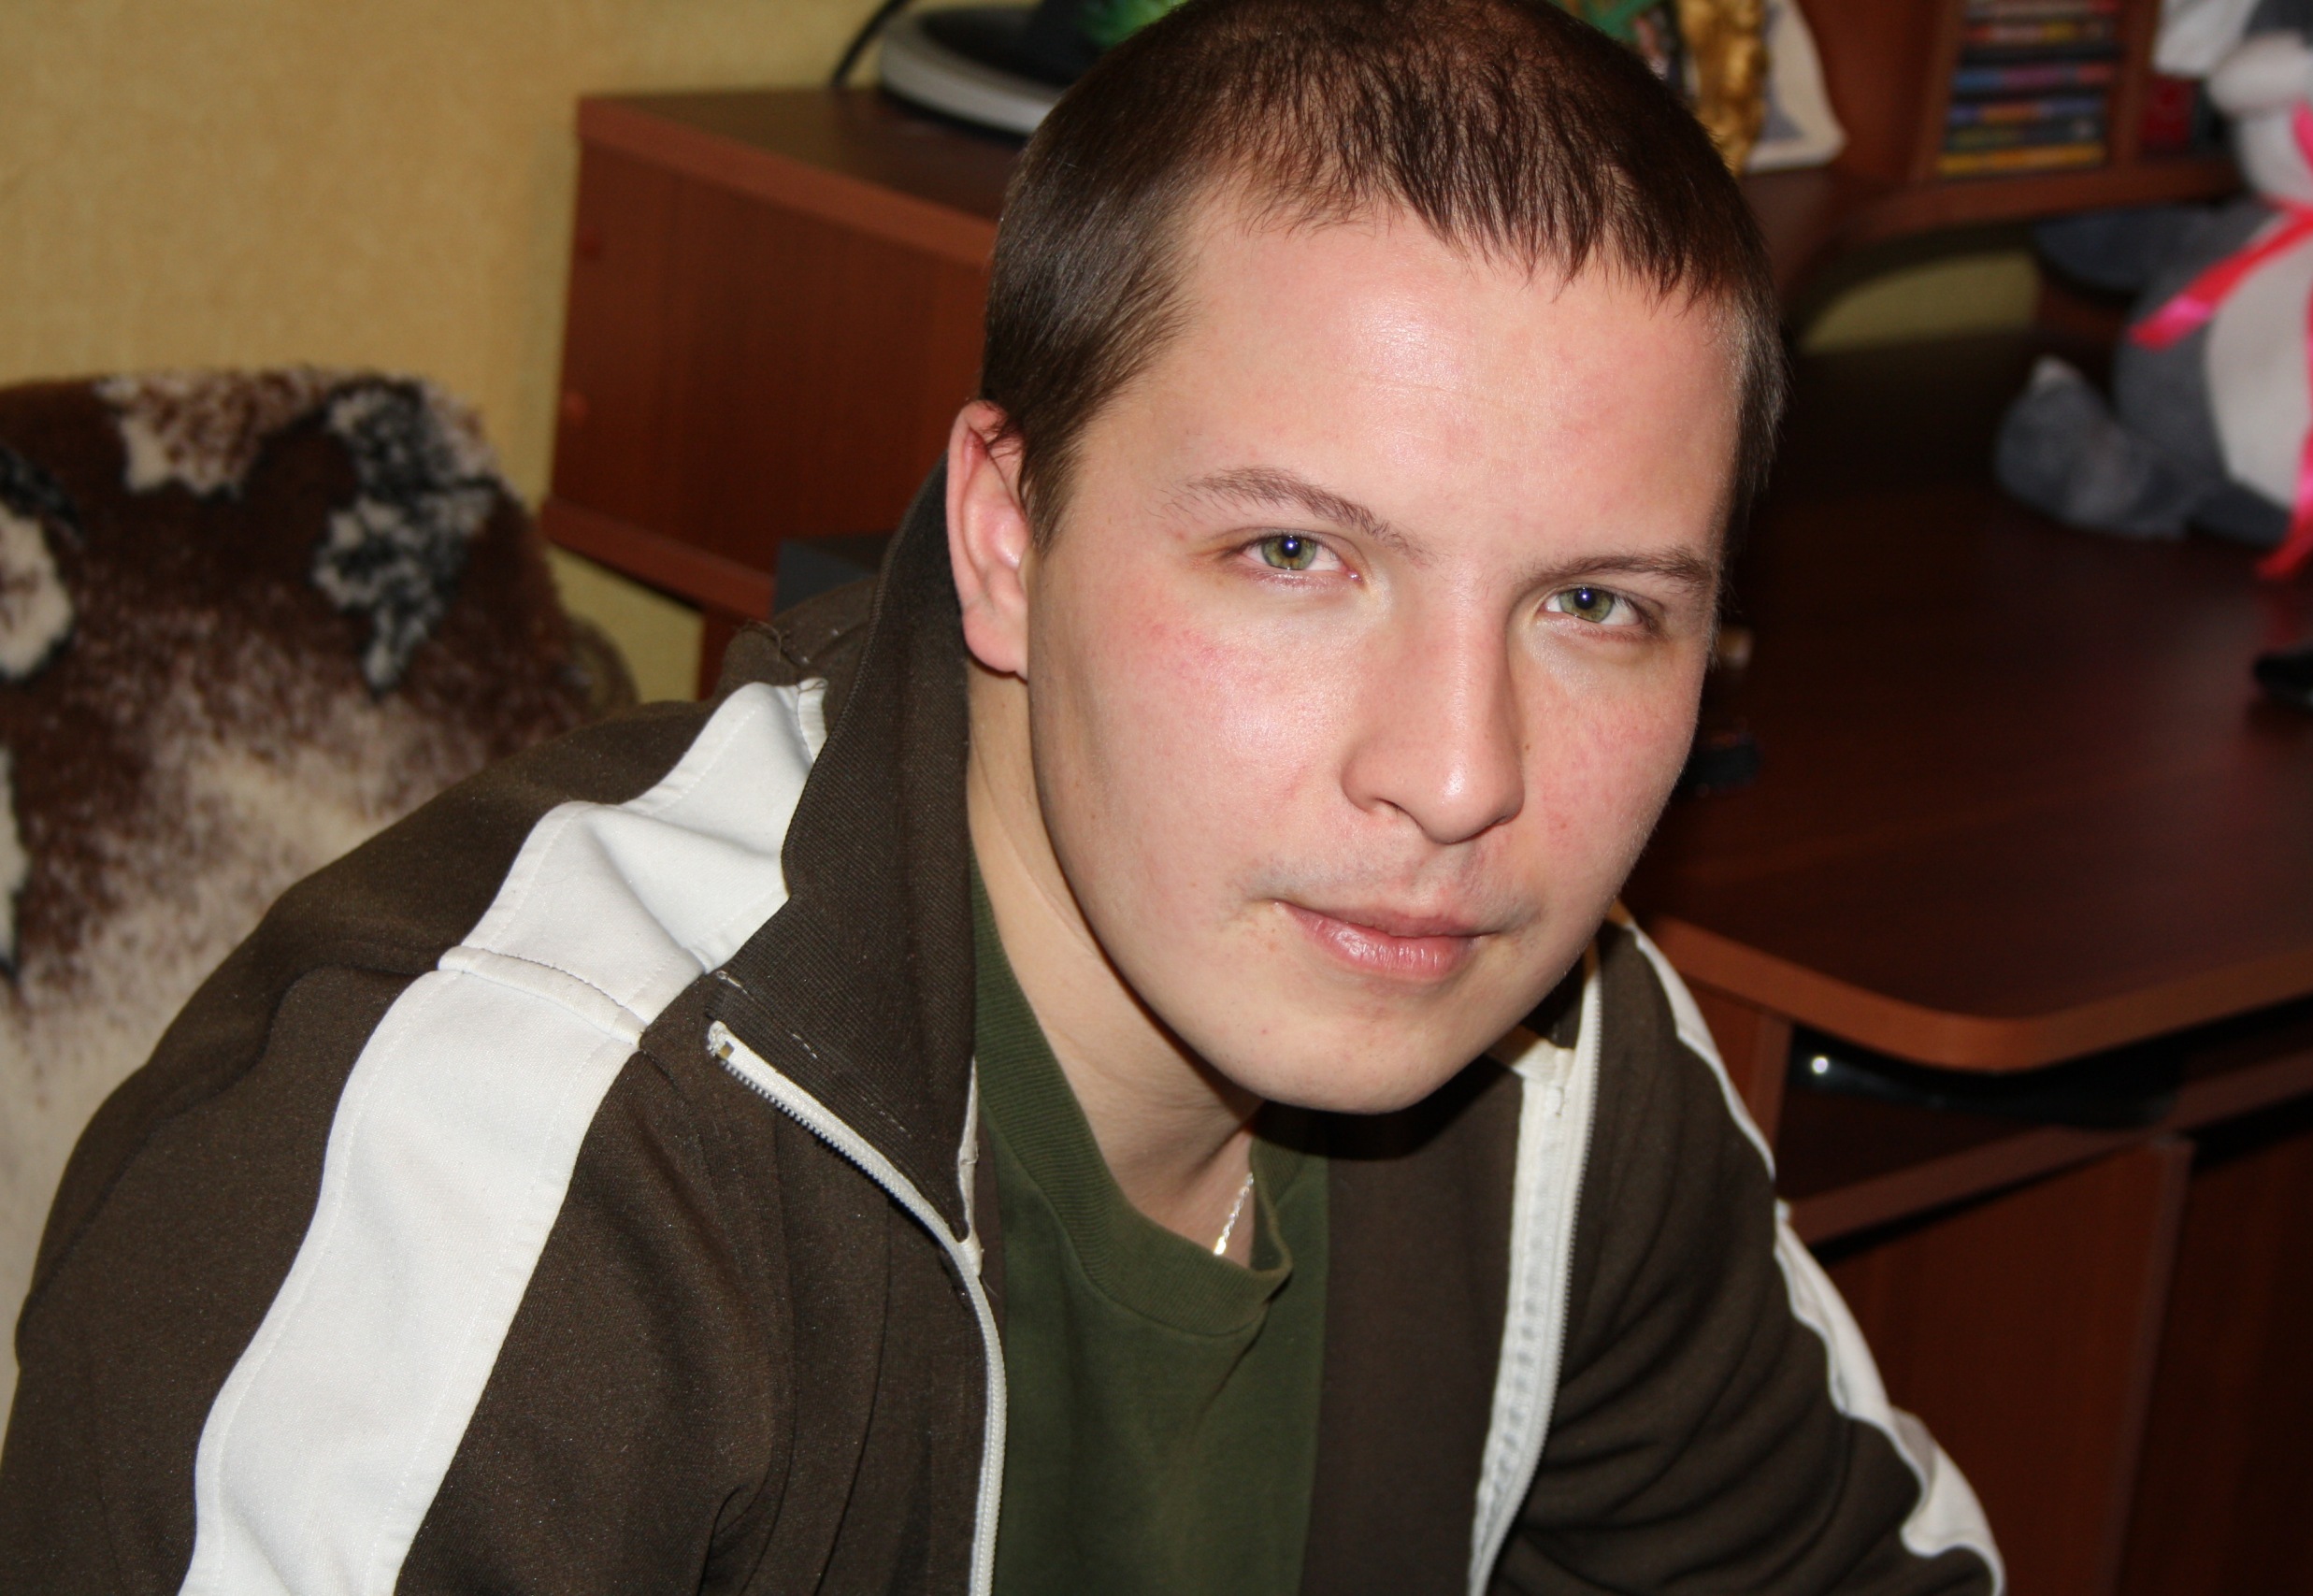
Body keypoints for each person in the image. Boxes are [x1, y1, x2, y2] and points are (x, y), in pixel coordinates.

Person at [0, 0, 2003, 1590]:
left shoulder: (1567, 1066)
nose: (1462, 778)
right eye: (1293, 553)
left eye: (1593, 605)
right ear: (1005, 534)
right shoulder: (514, 1179)